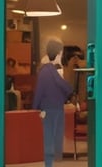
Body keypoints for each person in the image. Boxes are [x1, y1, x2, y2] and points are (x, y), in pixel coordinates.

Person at [32, 39, 74, 167]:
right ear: (58, 54)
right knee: (53, 136)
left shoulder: (45, 71)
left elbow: (39, 92)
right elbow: (67, 88)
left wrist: (36, 107)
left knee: (50, 136)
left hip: (48, 108)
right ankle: (51, 163)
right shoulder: (50, 71)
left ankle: (50, 163)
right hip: (54, 109)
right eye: (61, 54)